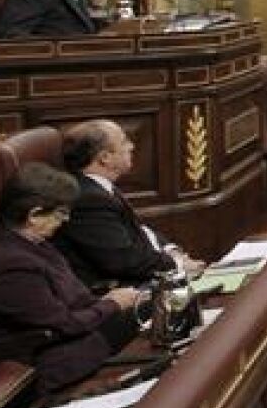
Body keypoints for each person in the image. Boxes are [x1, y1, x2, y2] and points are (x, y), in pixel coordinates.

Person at [0, 163, 144, 391]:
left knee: (151, 308)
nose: (66, 219)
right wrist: (112, 304)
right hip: (40, 360)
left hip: (70, 334)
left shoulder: (31, 244)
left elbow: (72, 298)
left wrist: (108, 301)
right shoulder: (8, 266)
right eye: (61, 212)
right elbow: (63, 325)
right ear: (33, 215)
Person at [54, 120, 203, 289]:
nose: (131, 146)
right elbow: (124, 261)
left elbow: (139, 230)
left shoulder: (98, 188)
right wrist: (177, 264)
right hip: (122, 291)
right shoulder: (88, 200)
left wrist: (171, 251)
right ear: (104, 158)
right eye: (124, 141)